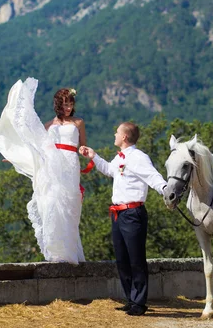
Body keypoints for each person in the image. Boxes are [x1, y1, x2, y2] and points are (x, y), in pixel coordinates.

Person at [0, 77, 88, 264]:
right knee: (53, 202)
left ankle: (71, 251)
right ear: (58, 105)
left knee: (70, 206)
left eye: (70, 104)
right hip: (53, 164)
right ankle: (57, 251)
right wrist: (15, 155)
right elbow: (35, 144)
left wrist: (85, 151)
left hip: (70, 163)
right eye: (65, 104)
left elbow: (83, 145)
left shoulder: (78, 123)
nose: (68, 108)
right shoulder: (49, 125)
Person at [80, 122, 167, 316]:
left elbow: (153, 177)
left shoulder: (138, 157)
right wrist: (93, 156)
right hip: (118, 214)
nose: (114, 134)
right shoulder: (121, 157)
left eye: (117, 132)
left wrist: (165, 190)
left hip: (132, 213)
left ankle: (139, 302)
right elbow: (110, 170)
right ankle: (130, 298)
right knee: (122, 259)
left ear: (125, 137)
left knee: (136, 259)